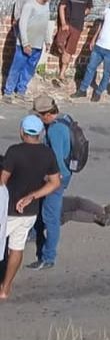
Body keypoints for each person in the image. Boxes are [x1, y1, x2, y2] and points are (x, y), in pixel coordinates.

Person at [0, 115, 61, 299]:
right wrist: (31, 196)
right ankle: (5, 289)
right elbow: (55, 183)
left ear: (21, 132)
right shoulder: (47, 154)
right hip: (29, 211)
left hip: (7, 210)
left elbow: (2, 181)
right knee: (17, 248)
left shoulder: (14, 152)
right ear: (41, 133)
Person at [27, 95, 72, 270]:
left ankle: (48, 257)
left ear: (46, 114)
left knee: (50, 216)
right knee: (43, 206)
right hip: (62, 175)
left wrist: (46, 179)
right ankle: (34, 232)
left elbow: (58, 163)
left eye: (38, 115)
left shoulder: (55, 131)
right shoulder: (64, 119)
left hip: (57, 179)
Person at [3, 0, 56, 103]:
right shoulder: (29, 5)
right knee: (17, 67)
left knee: (29, 68)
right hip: (24, 44)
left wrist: (48, 40)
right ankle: (8, 92)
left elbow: (46, 24)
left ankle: (21, 90)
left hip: (38, 44)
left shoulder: (47, 6)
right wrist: (25, 43)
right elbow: (22, 24)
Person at [55, 0, 93, 84]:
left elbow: (88, 9)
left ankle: (62, 73)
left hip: (78, 26)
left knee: (69, 50)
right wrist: (63, 23)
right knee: (59, 43)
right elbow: (62, 7)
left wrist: (81, 14)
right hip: (67, 23)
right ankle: (62, 56)